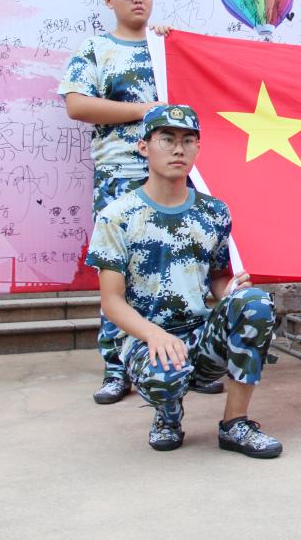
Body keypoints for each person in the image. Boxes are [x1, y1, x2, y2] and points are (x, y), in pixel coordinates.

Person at [58, 0, 222, 403]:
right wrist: (144, 111)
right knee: (118, 275)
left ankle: (196, 359)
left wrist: (174, 45)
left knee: (188, 268)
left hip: (180, 177)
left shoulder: (166, 46)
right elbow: (77, 105)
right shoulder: (96, 48)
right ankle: (117, 367)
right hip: (121, 177)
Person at [86, 105, 282, 457]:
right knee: (165, 375)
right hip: (146, 339)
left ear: (197, 149)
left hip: (199, 332)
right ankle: (168, 417)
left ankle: (235, 424)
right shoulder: (116, 217)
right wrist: (154, 334)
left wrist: (231, 292)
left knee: (254, 303)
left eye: (188, 141)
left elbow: (217, 277)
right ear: (144, 147)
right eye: (167, 139)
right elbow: (111, 302)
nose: (178, 149)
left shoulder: (213, 212)